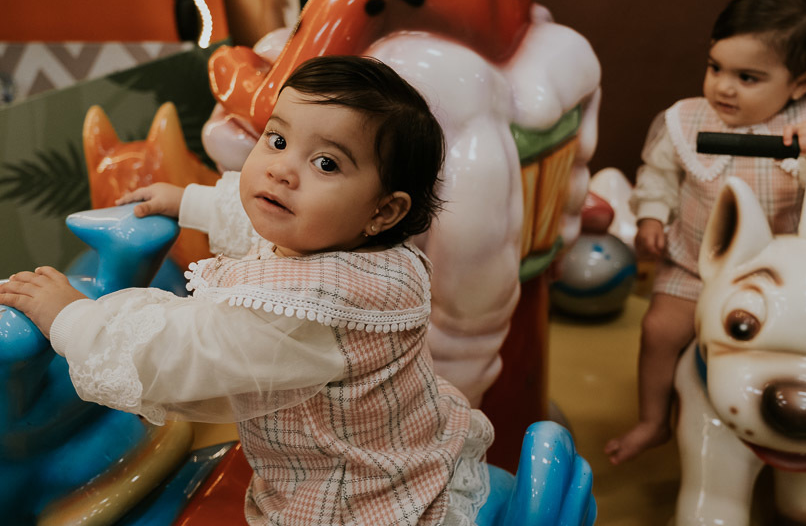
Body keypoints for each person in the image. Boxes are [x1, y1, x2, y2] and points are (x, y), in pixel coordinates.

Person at [0, 55, 494, 525]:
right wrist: (190, 202)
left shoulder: (305, 313)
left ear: (383, 212)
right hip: (410, 444)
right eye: (277, 141)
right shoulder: (366, 249)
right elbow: (267, 227)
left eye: (326, 163)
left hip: (351, 499)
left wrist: (73, 318)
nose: (281, 169)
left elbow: (181, 353)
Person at [604, 0, 806, 465]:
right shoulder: (687, 119)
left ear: (800, 83)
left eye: (748, 77)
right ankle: (653, 421)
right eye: (716, 67)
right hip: (695, 264)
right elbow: (659, 174)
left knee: (800, 341)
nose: (723, 86)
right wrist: (652, 215)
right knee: (657, 332)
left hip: (780, 284)